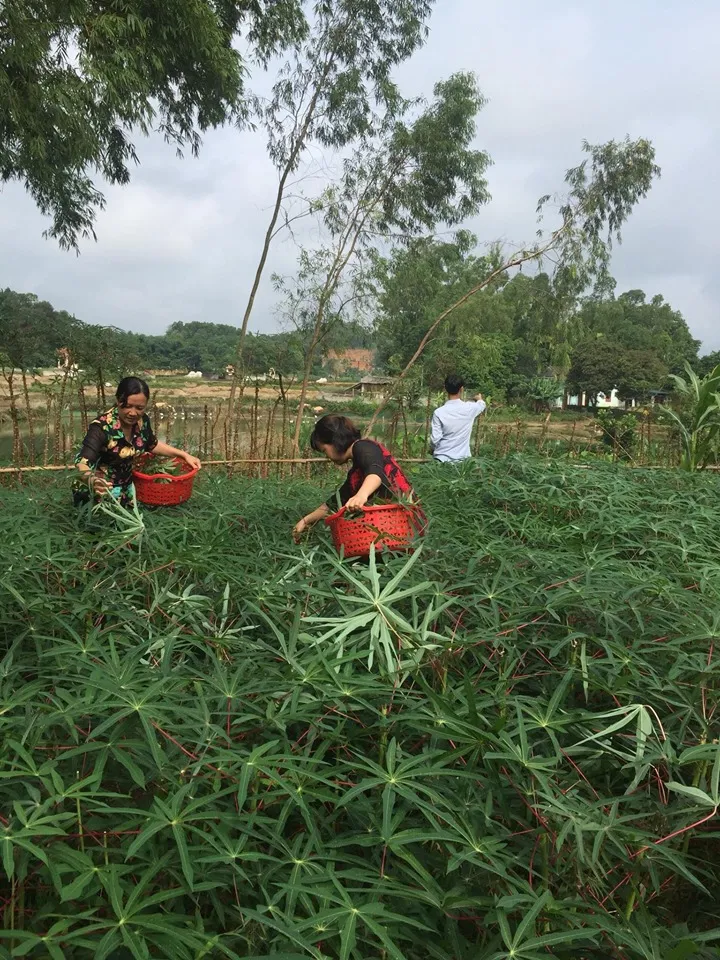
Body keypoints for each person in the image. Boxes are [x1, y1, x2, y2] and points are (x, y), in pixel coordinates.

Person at [72, 377, 201, 508]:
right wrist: (92, 480)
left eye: (139, 408)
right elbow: (83, 462)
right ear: (118, 400)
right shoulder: (101, 427)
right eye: (127, 406)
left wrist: (184, 455)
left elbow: (152, 444)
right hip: (99, 491)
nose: (133, 413)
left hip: (124, 488)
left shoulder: (142, 421)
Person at [293, 415, 415, 540]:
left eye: (324, 450)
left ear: (335, 441)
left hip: (405, 524)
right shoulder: (356, 475)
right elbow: (332, 504)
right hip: (390, 530)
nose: (327, 457)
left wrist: (361, 495)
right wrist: (305, 521)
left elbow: (375, 474)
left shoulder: (363, 447)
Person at [430, 375, 486, 463]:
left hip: (441, 460)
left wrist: (433, 450)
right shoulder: (469, 408)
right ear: (462, 389)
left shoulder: (438, 412)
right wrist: (479, 399)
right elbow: (481, 405)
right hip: (462, 462)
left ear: (445, 389)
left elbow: (435, 440)